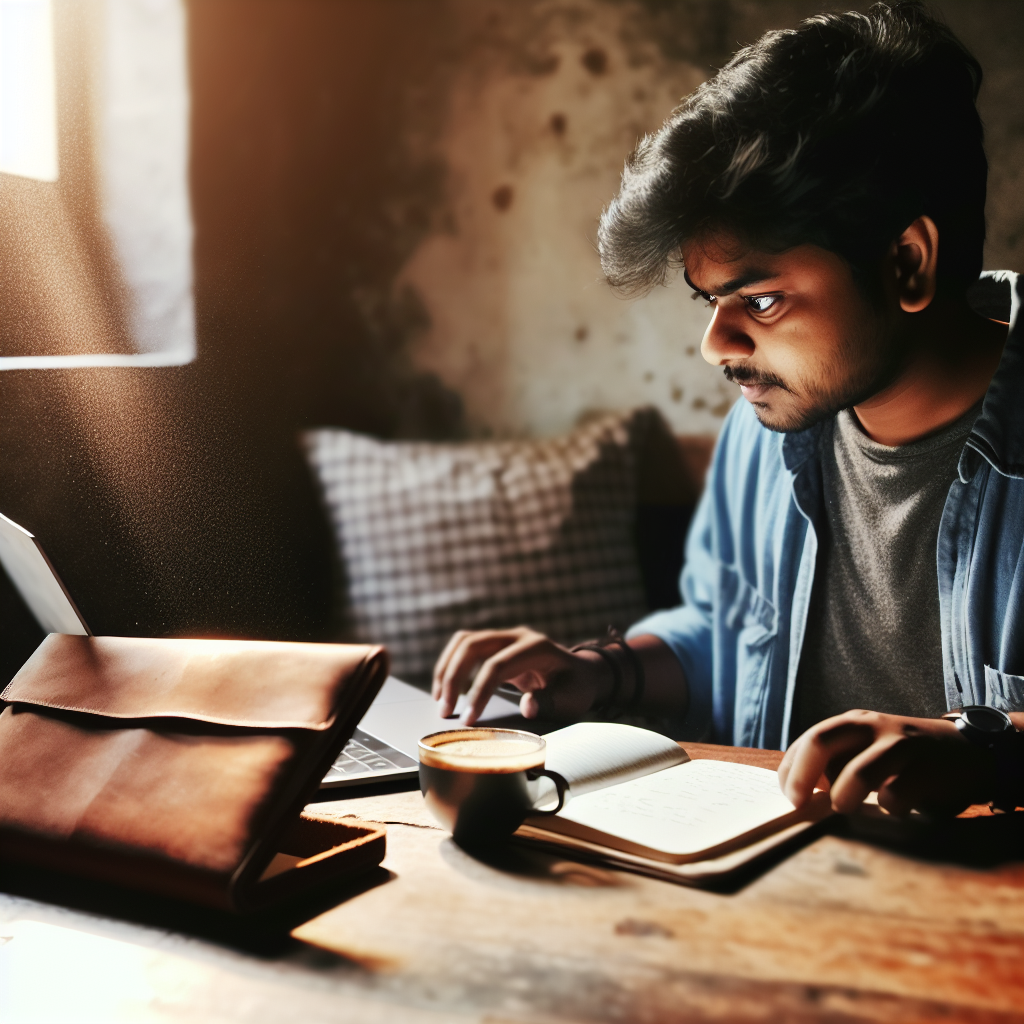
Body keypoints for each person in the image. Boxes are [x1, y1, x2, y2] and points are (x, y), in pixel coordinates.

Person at [431, 1, 1023, 817]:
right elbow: (726, 632)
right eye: (708, 298)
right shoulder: (765, 430)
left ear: (907, 263)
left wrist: (992, 750)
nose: (716, 343)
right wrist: (605, 670)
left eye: (764, 300)